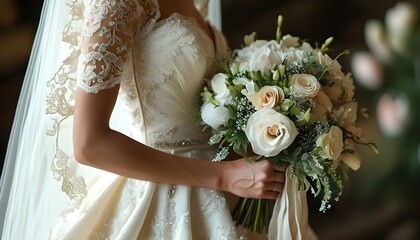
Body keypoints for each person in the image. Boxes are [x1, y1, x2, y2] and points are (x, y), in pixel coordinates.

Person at [0, 0, 316, 239]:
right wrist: (221, 175)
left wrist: (264, 139)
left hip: (232, 189)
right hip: (166, 194)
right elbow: (89, 143)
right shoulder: (117, 5)